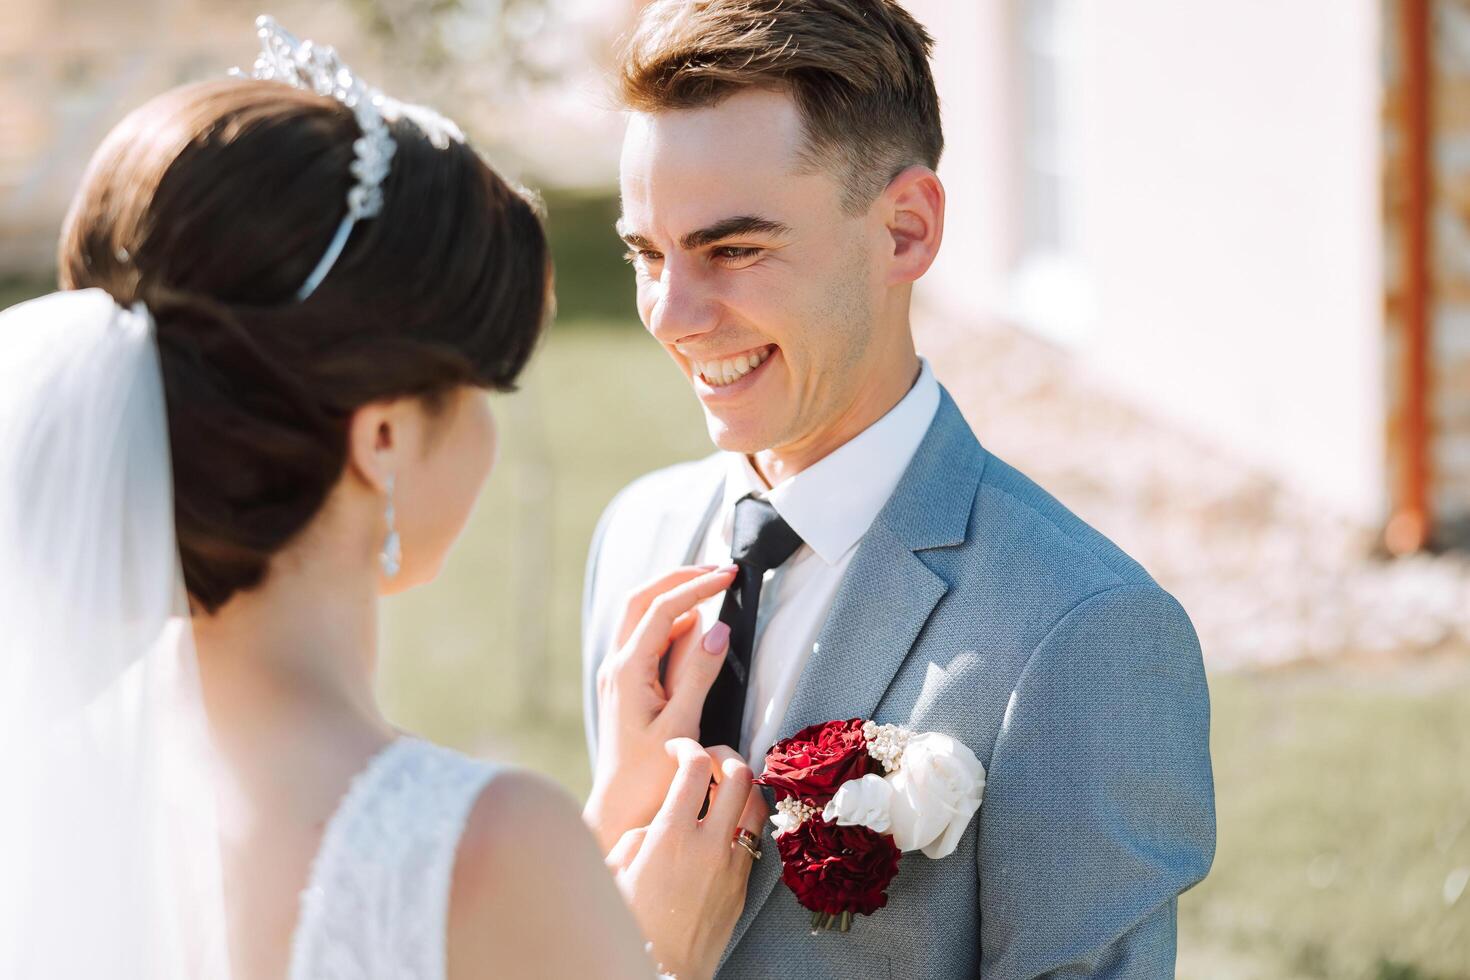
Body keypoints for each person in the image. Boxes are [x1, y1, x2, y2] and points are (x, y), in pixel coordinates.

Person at [0, 18, 762, 980]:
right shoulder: (490, 853)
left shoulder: (47, 778)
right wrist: (658, 954)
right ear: (387, 436)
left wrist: (606, 818)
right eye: (488, 389)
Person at [580, 1, 1217, 976]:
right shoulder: (636, 533)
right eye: (647, 253)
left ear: (907, 229)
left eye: (734, 248)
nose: (673, 316)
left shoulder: (1083, 629)